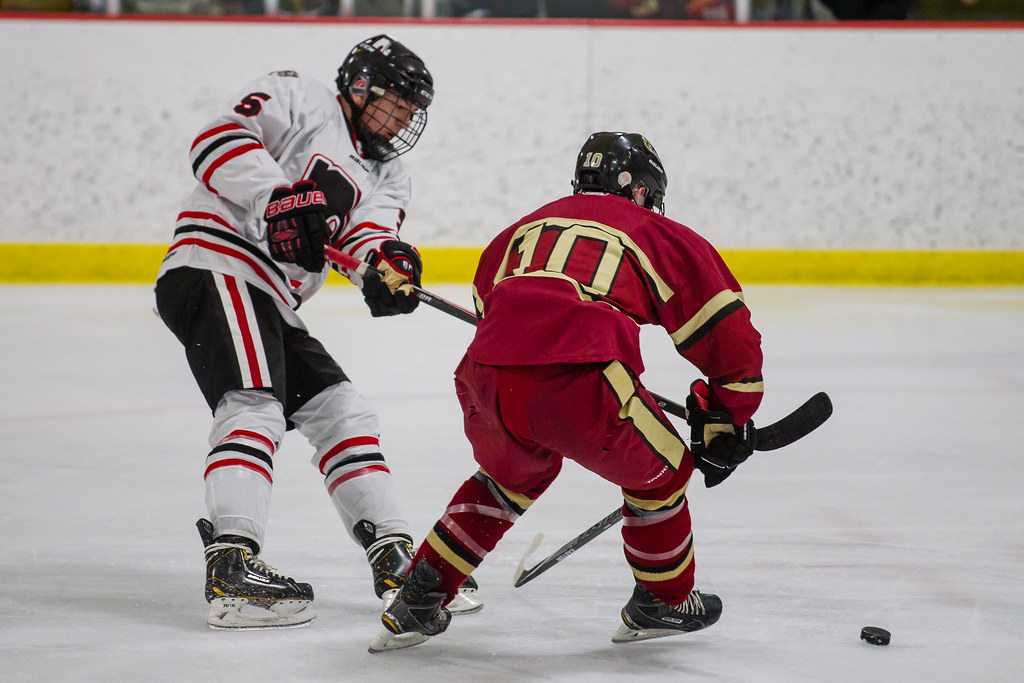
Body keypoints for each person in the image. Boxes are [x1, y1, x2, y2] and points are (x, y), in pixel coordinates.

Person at [370, 132, 764, 652]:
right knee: (666, 471)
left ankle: (419, 597)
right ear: (640, 190)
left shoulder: (523, 227)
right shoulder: (655, 231)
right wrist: (727, 413)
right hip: (581, 375)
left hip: (485, 374)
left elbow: (489, 301)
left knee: (506, 479)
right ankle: (663, 600)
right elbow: (726, 333)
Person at [155, 34, 480, 630]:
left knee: (343, 413)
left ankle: (397, 560)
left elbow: (367, 237)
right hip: (218, 261)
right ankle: (231, 567)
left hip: (273, 296)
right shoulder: (299, 96)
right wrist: (276, 197)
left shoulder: (389, 173)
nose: (403, 121)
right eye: (397, 105)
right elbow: (217, 139)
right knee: (253, 403)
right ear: (360, 88)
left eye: (412, 112)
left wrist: (386, 266)